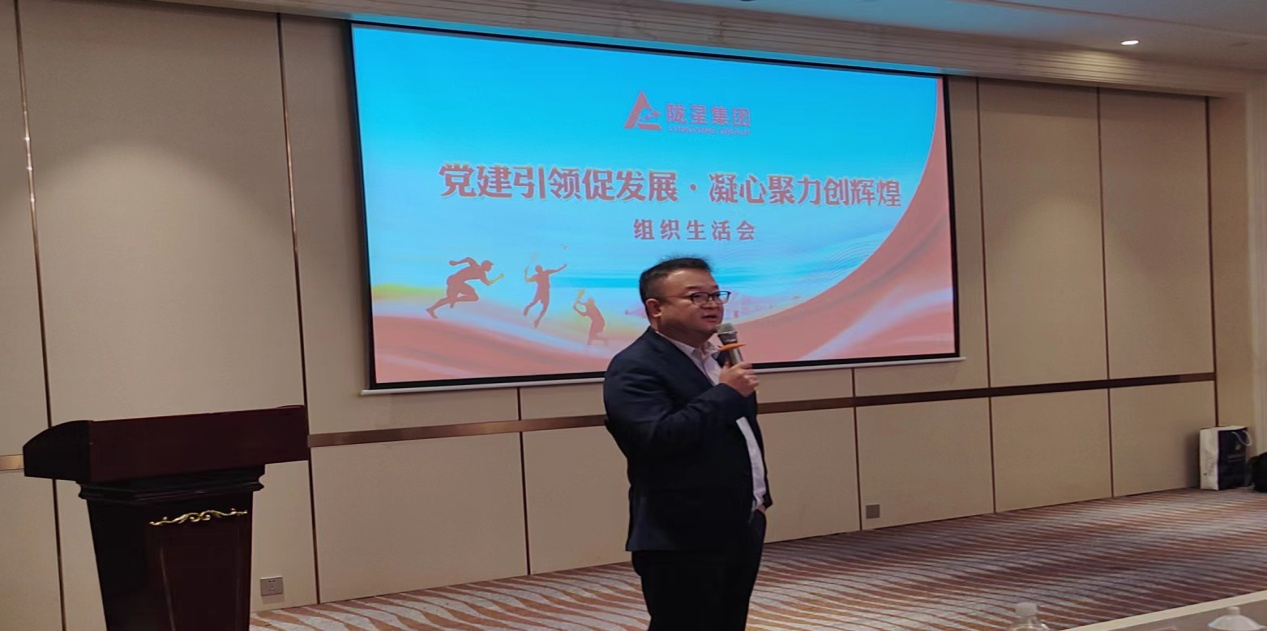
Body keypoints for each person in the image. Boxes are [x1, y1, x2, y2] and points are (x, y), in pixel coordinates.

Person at [602, 257, 770, 631]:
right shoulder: (634, 366)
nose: (712, 305)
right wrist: (726, 393)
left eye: (716, 295)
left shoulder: (719, 358)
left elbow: (738, 433)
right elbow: (655, 439)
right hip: (682, 533)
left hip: (741, 522)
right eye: (696, 297)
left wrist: (758, 504)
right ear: (655, 308)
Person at [425, 257, 504, 318]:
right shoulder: (476, 266)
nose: (490, 268)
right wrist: (456, 263)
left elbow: (487, 283)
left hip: (457, 282)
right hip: (455, 280)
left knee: (472, 296)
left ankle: (432, 308)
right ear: (485, 265)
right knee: (456, 298)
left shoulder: (482, 275)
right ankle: (452, 300)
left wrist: (498, 278)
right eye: (489, 266)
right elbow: (469, 259)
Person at [523, 263, 567, 328]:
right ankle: (529, 310)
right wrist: (525, 273)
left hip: (544, 292)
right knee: (537, 304)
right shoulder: (542, 274)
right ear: (539, 269)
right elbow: (527, 280)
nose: (541, 269)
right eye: (539, 268)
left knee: (543, 306)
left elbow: (556, 270)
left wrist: (563, 266)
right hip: (541, 291)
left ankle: (537, 319)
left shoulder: (544, 273)